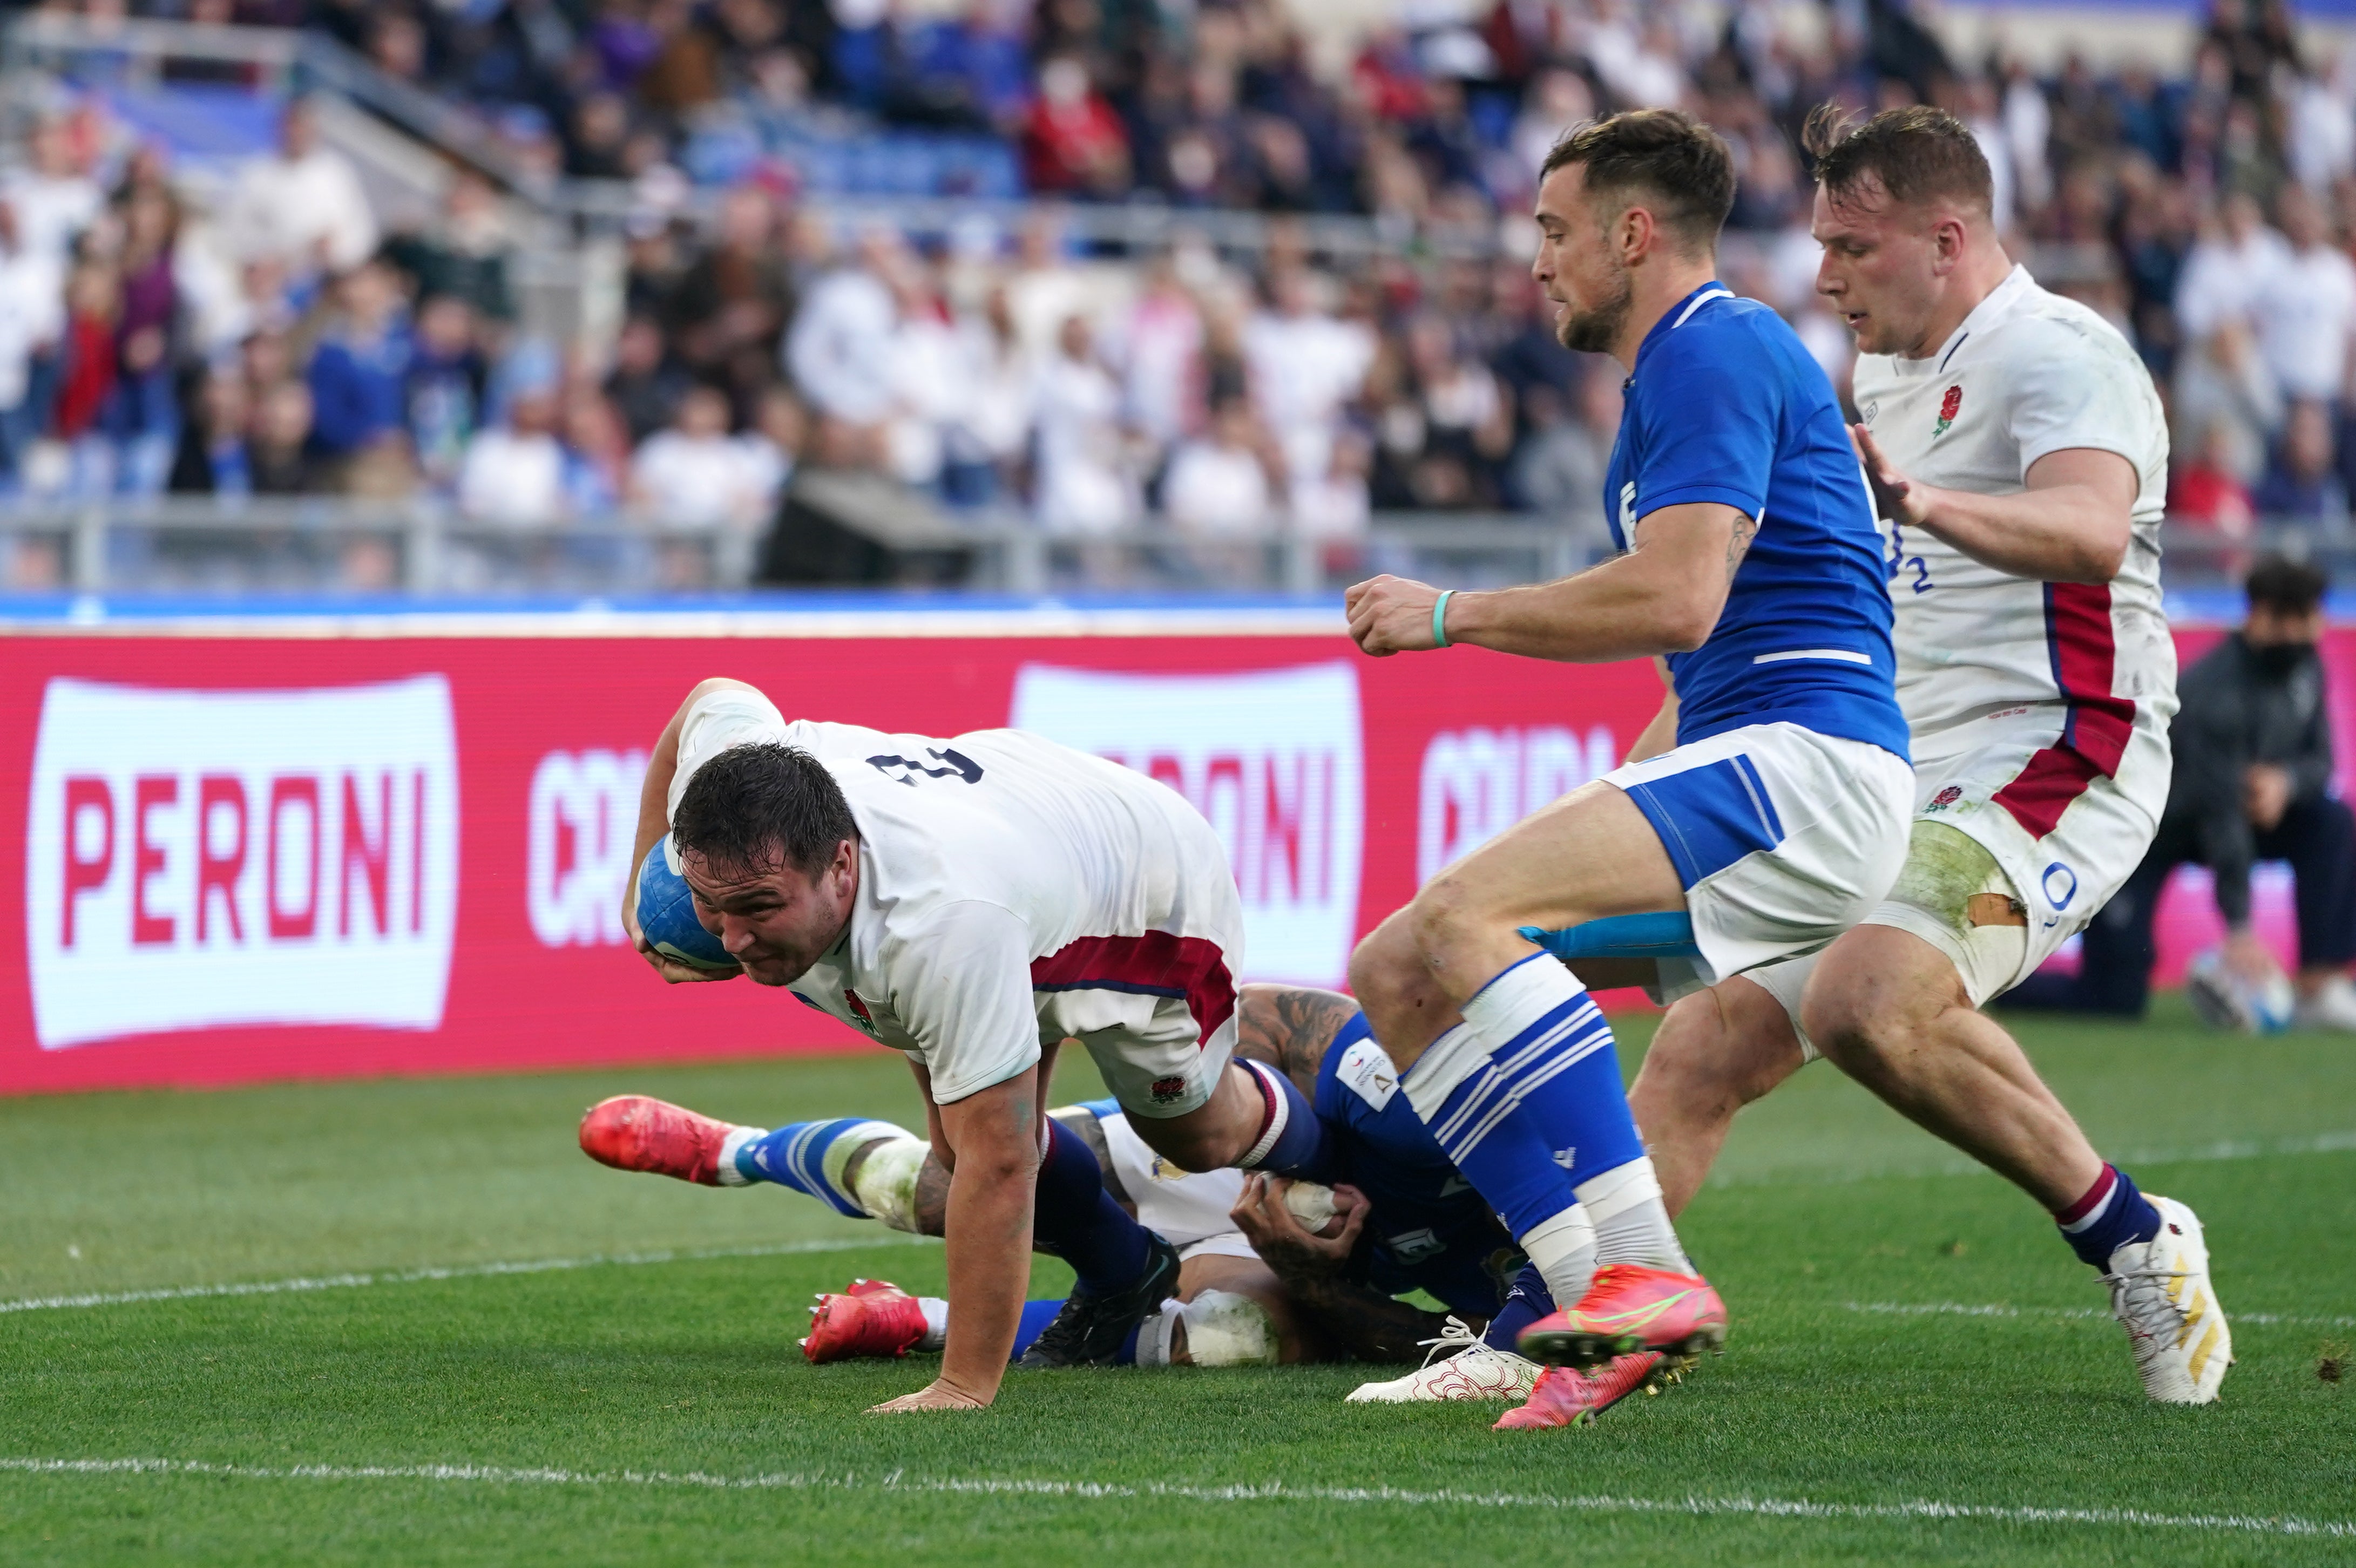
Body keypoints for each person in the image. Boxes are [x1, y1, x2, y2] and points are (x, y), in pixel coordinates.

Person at [1625, 106, 2229, 1407]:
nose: (1823, 276)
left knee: (1864, 998)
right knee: (1697, 1043)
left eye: (1850, 246)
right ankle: (1585, 1323)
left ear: (1944, 239)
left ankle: (2135, 1239)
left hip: (2059, 750)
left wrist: (1920, 501)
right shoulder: (1880, 377)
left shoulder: (2063, 355)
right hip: (1896, 764)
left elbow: (2085, 530)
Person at [1342, 108, 1915, 1429]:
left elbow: (1677, 599)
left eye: (1553, 231)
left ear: (1632, 233)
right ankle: (1572, 1323)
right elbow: (1698, 661)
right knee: (1399, 964)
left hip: (1805, 770)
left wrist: (1448, 615)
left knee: (1465, 916)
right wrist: (1609, 803)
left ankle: (1641, 1273)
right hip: (1768, 763)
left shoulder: (1710, 348)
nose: (1537, 261)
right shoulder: (1690, 372)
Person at [624, 681, 1378, 1413]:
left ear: (843, 864)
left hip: (1144, 877)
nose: (734, 939)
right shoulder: (735, 776)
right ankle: (1127, 1269)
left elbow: (1006, 1160)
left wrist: (962, 1386)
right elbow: (711, 694)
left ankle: (1342, 1159)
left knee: (1197, 1132)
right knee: (954, 1149)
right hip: (1012, 832)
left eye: (759, 907)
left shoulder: (943, 928)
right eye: (709, 907)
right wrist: (640, 886)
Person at [578, 983, 1648, 1418]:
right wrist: (1225, 1127)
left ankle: (918, 1321)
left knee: (1228, 1336)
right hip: (1228, 1136)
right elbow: (1273, 1022)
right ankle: (740, 1150)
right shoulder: (1397, 1073)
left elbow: (1396, 1345)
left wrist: (1307, 1261)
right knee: (954, 1190)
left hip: (1283, 1263)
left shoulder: (1542, 1251)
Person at [2008, 554, 2356, 1031]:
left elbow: (2322, 761)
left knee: (2330, 821)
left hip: (2248, 815)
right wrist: (2240, 929)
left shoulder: (2307, 667)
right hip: (2153, 832)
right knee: (2112, 1000)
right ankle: (1990, 989)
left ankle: (2320, 984)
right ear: (2260, 616)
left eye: (2313, 620)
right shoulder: (2214, 692)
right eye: (2295, 621)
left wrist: (2286, 781)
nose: (2308, 633)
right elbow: (2221, 818)